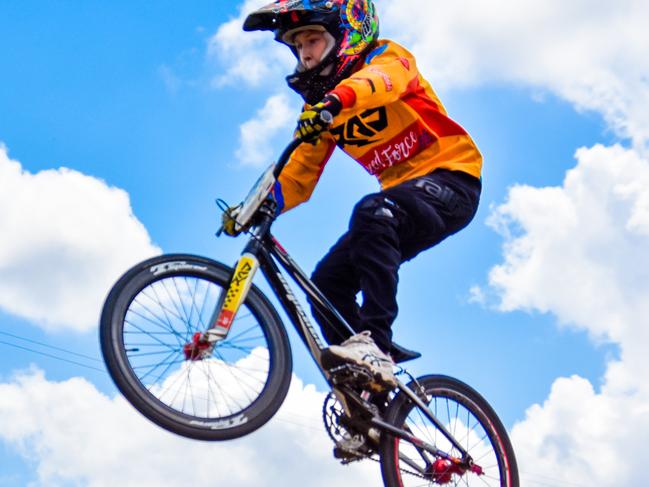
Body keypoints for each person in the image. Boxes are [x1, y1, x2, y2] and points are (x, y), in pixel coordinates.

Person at [242, 0, 482, 390]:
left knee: (373, 210)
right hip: (404, 200)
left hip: (452, 181)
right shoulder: (319, 108)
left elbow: (383, 81)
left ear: (347, 34)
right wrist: (258, 207)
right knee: (326, 282)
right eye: (297, 45)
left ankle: (376, 347)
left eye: (313, 39)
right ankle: (366, 394)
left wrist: (339, 100)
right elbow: (298, 171)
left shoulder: (388, 57)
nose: (304, 53)